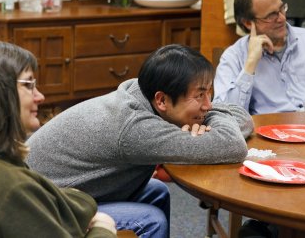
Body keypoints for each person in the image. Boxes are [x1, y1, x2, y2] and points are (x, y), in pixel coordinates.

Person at [26, 44, 254, 238]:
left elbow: (243, 118)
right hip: (43, 208)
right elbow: (233, 145)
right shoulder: (137, 128)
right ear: (162, 100)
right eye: (199, 95)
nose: (208, 104)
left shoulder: (145, 91)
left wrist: (206, 115)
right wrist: (214, 120)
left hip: (67, 191)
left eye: (209, 93)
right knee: (150, 220)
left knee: (157, 190)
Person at [0, 38, 116, 238]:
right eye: (28, 85)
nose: (40, 96)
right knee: (149, 217)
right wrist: (103, 228)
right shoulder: (10, 190)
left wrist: (81, 203)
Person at [213, 0, 305, 115]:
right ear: (248, 23)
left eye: (282, 8)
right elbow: (224, 116)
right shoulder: (234, 56)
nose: (282, 18)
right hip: (269, 131)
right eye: (271, 15)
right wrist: (250, 65)